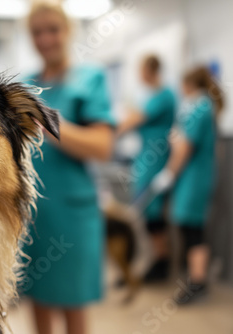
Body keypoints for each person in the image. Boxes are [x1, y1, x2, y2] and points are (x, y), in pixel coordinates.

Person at [20, 2, 115, 334]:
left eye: (53, 30)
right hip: (33, 212)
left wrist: (48, 123)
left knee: (72, 300)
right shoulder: (24, 85)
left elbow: (103, 147)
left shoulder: (90, 79)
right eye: (37, 32)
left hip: (72, 214)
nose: (45, 39)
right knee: (37, 296)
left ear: (68, 31)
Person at [149, 66, 223, 304]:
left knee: (193, 229)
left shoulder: (199, 106)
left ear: (189, 83)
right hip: (193, 177)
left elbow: (185, 147)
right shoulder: (199, 105)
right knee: (189, 227)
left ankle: (197, 282)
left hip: (194, 178)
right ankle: (195, 279)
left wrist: (169, 173)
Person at [117, 55, 176, 282]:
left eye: (141, 70)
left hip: (156, 158)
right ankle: (153, 262)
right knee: (146, 212)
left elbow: (135, 119)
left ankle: (161, 263)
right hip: (147, 157)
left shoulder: (164, 95)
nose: (139, 75)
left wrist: (108, 134)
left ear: (150, 70)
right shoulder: (155, 96)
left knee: (151, 211)